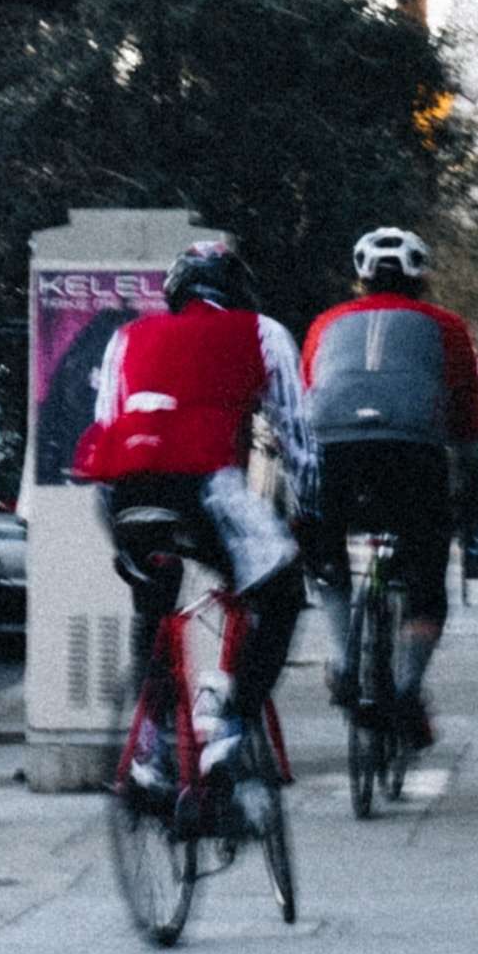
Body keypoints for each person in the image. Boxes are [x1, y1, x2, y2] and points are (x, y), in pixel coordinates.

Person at [72, 226, 311, 799]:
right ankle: (229, 726)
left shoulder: (127, 337)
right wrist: (312, 516)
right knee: (280, 593)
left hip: (122, 492)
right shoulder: (262, 332)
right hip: (203, 484)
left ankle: (151, 748)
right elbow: (300, 440)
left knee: (155, 601)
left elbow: (107, 420)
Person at [298, 222, 478, 750]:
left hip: (333, 451)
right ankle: (407, 690)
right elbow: (466, 413)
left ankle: (341, 659)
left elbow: (309, 388)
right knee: (427, 574)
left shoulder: (326, 323)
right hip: (411, 454)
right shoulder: (446, 326)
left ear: (360, 278)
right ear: (421, 278)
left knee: (326, 553)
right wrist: (472, 477)